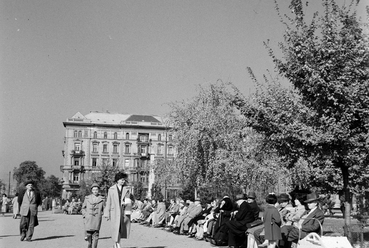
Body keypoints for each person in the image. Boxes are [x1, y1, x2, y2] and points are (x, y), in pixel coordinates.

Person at [104, 172, 131, 248]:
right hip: (114, 211)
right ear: (117, 180)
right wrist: (106, 213)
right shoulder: (111, 189)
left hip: (123, 211)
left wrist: (126, 202)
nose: (123, 181)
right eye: (122, 180)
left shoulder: (127, 189)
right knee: (115, 228)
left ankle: (117, 242)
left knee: (121, 228)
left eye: (124, 180)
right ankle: (116, 243)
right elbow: (108, 201)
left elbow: (131, 199)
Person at [82, 183, 105, 248]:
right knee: (89, 235)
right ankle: (89, 245)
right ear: (91, 190)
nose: (95, 191)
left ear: (98, 190)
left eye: (96, 190)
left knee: (96, 235)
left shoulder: (102, 199)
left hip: (97, 219)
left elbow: (104, 208)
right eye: (94, 190)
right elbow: (83, 208)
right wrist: (85, 214)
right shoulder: (87, 198)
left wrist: (101, 214)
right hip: (89, 219)